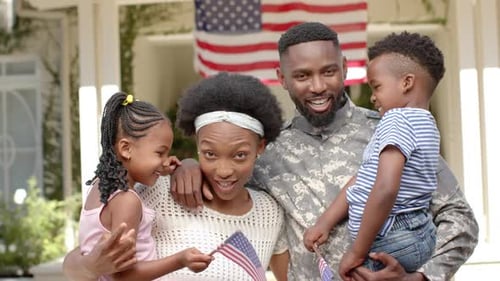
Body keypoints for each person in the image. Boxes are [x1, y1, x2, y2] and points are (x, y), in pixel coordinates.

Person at [170, 22, 479, 281]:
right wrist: (188, 165)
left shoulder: (391, 128)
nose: (317, 86)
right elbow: (222, 183)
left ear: (344, 68)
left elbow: (460, 219)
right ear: (282, 78)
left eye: (328, 72)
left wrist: (420, 278)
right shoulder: (266, 154)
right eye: (302, 76)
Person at [63, 74, 289, 281]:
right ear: (197, 146)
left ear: (260, 147)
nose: (224, 170)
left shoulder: (270, 213)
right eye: (210, 154)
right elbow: (80, 259)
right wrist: (90, 267)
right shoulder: (154, 193)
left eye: (240, 155)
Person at [303, 31, 443, 279]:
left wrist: (357, 251)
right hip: (417, 234)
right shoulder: (427, 124)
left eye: (376, 86)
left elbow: (386, 188)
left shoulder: (396, 119)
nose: (373, 96)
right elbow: (365, 177)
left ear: (406, 82)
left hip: (389, 238)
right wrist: (326, 222)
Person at [70, 92, 214, 281]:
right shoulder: (127, 201)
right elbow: (123, 275)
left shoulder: (101, 187)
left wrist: (160, 167)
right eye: (159, 153)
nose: (164, 160)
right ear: (126, 149)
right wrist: (181, 259)